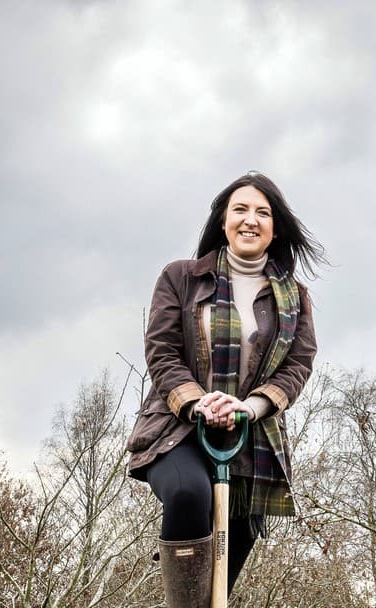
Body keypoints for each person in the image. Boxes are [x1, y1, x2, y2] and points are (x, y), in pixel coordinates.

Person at [125, 172, 323, 607]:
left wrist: (249, 408)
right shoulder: (181, 278)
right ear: (222, 221)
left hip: (250, 442)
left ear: (276, 228)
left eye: (263, 213)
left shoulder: (295, 297)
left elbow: (298, 365)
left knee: (217, 588)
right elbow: (162, 350)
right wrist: (198, 402)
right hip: (177, 429)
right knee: (186, 492)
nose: (250, 220)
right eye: (240, 209)